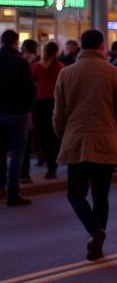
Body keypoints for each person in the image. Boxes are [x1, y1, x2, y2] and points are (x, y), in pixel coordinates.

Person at [53, 29, 117, 259]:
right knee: (101, 195)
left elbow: (59, 113)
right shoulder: (113, 72)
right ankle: (98, 238)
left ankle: (95, 231)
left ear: (81, 47)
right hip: (105, 141)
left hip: (77, 141)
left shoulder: (67, 73)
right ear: (102, 46)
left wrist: (62, 134)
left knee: (75, 194)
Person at [0, 29, 35, 206]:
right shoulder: (21, 63)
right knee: (17, 153)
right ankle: (13, 193)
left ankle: (1, 187)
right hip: (17, 113)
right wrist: (28, 109)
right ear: (16, 41)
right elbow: (30, 89)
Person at [31, 41, 64, 179]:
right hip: (54, 102)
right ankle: (53, 165)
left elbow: (31, 83)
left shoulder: (36, 67)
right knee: (54, 134)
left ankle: (43, 158)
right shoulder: (60, 67)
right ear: (56, 52)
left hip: (39, 103)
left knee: (42, 134)